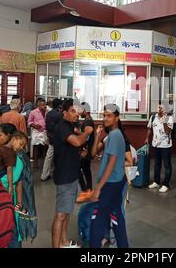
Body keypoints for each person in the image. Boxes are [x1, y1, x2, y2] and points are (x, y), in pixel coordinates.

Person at [52, 99, 93, 248]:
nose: (77, 114)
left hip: (71, 174)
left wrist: (80, 154)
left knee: (67, 211)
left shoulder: (70, 126)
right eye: (73, 111)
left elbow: (71, 147)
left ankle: (64, 242)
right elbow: (76, 142)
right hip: (65, 176)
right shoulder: (62, 126)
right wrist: (87, 133)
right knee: (60, 215)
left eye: (78, 111)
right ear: (65, 113)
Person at [90, 104, 129, 248]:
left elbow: (111, 163)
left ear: (117, 118)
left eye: (109, 116)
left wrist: (99, 187)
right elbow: (94, 153)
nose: (105, 118)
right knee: (116, 216)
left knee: (98, 219)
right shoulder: (113, 135)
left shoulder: (115, 135)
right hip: (116, 181)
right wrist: (97, 136)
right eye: (104, 115)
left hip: (111, 183)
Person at [0, 123, 23, 248]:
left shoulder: (2, 153)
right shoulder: (6, 154)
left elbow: (17, 179)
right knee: (11, 227)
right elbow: (19, 180)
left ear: (9, 136)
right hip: (7, 197)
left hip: (3, 197)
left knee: (8, 228)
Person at [145, 104, 174, 193]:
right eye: (159, 107)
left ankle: (166, 184)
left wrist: (164, 120)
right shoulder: (153, 117)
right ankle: (156, 182)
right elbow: (150, 128)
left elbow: (168, 131)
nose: (160, 109)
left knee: (167, 165)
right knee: (157, 164)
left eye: (162, 108)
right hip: (155, 144)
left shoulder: (169, 118)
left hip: (166, 145)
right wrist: (147, 138)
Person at [77, 102, 95, 203]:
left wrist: (77, 131)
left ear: (85, 110)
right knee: (86, 170)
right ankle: (89, 191)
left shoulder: (88, 121)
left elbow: (87, 136)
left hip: (85, 150)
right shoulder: (89, 120)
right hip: (87, 149)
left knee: (77, 169)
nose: (79, 112)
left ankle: (84, 191)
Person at [41, 98, 63, 181]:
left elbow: (47, 127)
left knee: (49, 157)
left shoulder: (48, 114)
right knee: (59, 157)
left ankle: (44, 174)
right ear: (59, 106)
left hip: (51, 137)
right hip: (58, 139)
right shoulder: (59, 115)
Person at [28, 98, 48, 170]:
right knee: (36, 147)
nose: (43, 106)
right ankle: (35, 164)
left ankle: (45, 164)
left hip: (45, 131)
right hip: (36, 132)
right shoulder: (33, 112)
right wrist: (34, 125)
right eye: (41, 105)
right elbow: (29, 122)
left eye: (44, 104)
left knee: (45, 147)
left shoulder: (47, 112)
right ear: (38, 105)